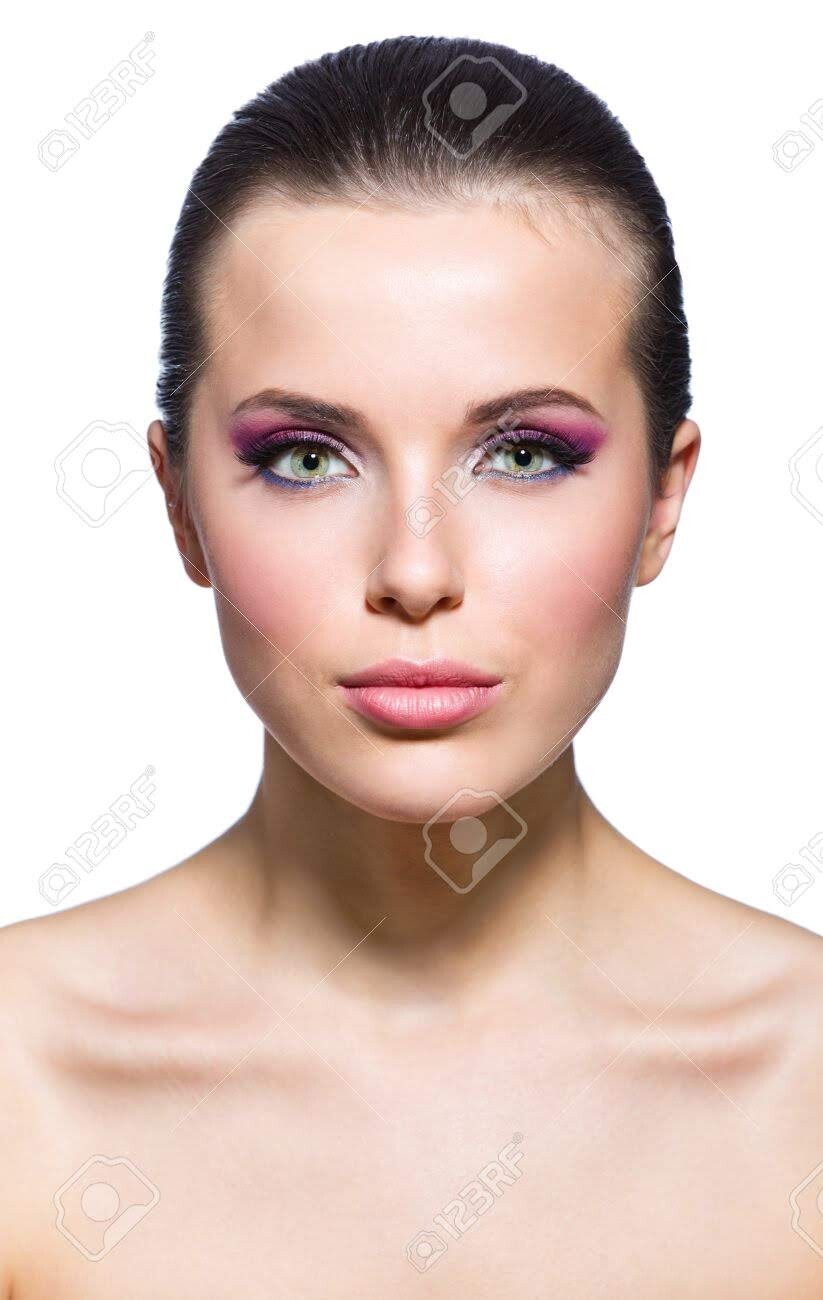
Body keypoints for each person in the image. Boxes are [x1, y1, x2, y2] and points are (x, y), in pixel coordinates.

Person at [3, 34, 822, 1297]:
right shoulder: (23, 1080)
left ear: (663, 499)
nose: (415, 569)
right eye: (306, 458)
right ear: (178, 506)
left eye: (525, 454)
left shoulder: (802, 1086)